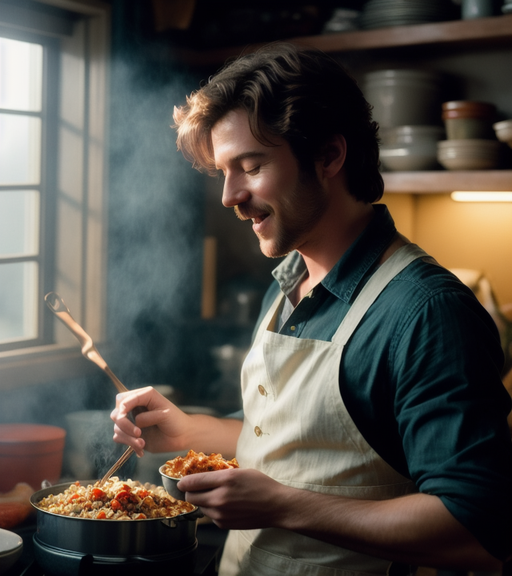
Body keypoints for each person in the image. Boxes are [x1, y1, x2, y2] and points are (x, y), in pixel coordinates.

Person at [111, 43, 512, 576]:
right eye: (224, 173)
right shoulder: (286, 281)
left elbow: (478, 529)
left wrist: (282, 506)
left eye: (251, 166)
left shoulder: (427, 314)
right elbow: (299, 446)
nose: (230, 196)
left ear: (329, 156)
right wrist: (189, 432)